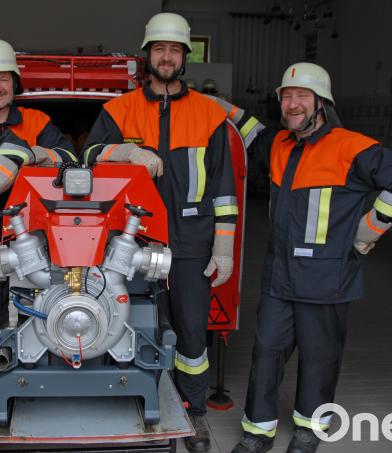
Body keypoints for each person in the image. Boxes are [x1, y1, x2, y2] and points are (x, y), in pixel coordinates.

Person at [230, 62, 392, 453]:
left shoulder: (354, 147)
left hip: (327, 278)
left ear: (321, 103)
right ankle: (258, 432)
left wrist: (367, 231)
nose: (293, 104)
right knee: (266, 351)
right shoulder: (280, 144)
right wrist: (208, 104)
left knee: (319, 358)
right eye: (287, 97)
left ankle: (308, 429)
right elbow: (248, 130)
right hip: (280, 276)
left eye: (302, 96)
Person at [81, 12, 239, 453]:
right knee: (130, 325)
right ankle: (137, 403)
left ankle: (193, 413)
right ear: (146, 55)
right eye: (159, 49)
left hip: (191, 242)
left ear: (185, 57)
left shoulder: (209, 115)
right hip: (131, 241)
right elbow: (90, 155)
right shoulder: (119, 109)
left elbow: (224, 188)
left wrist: (223, 246)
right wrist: (127, 151)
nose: (166, 57)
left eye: (174, 50)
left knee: (191, 334)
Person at [0, 38, 76, 241]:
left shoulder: (36, 121)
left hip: (29, 234)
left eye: (3, 79)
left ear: (14, 81)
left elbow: (69, 158)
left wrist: (33, 154)